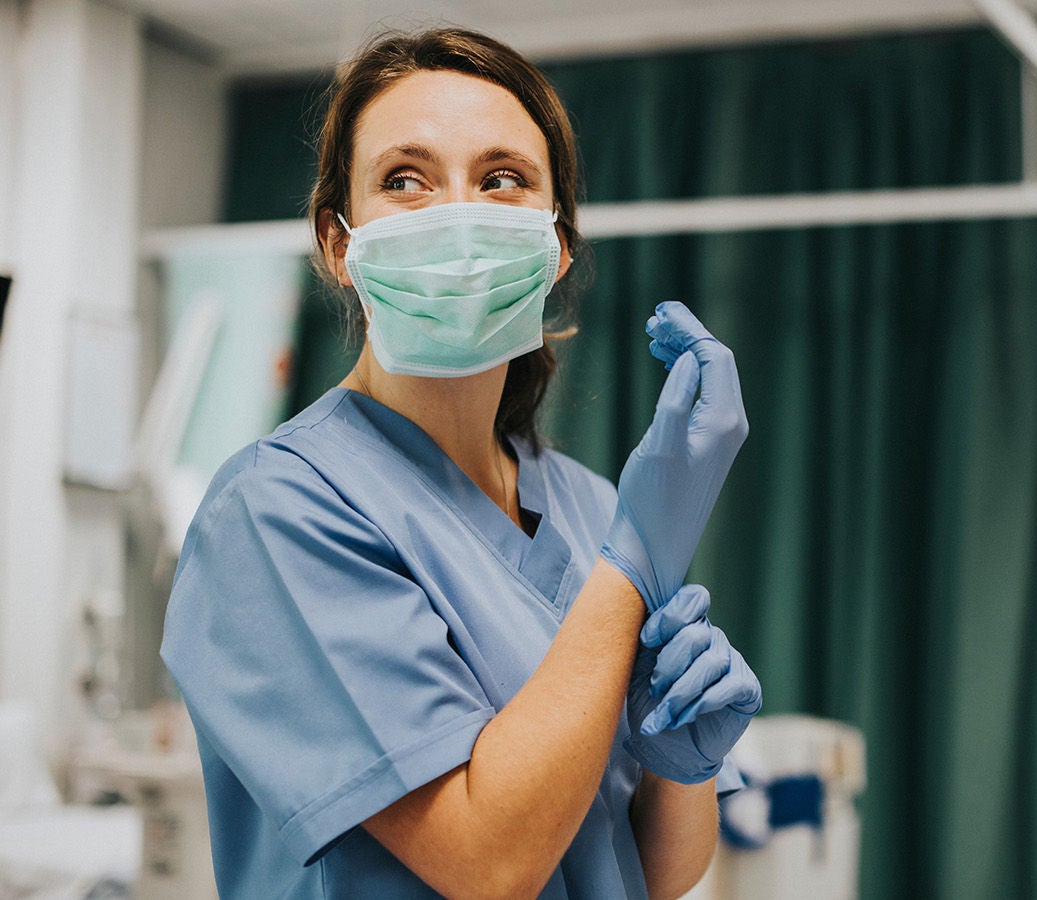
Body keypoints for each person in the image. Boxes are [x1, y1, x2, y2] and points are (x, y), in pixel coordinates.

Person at [160, 26, 761, 899]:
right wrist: (632, 566)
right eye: (405, 179)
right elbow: (490, 863)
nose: (456, 214)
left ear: (555, 247)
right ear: (338, 242)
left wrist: (684, 767)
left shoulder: (594, 508)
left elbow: (654, 873)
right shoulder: (276, 511)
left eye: (501, 179)